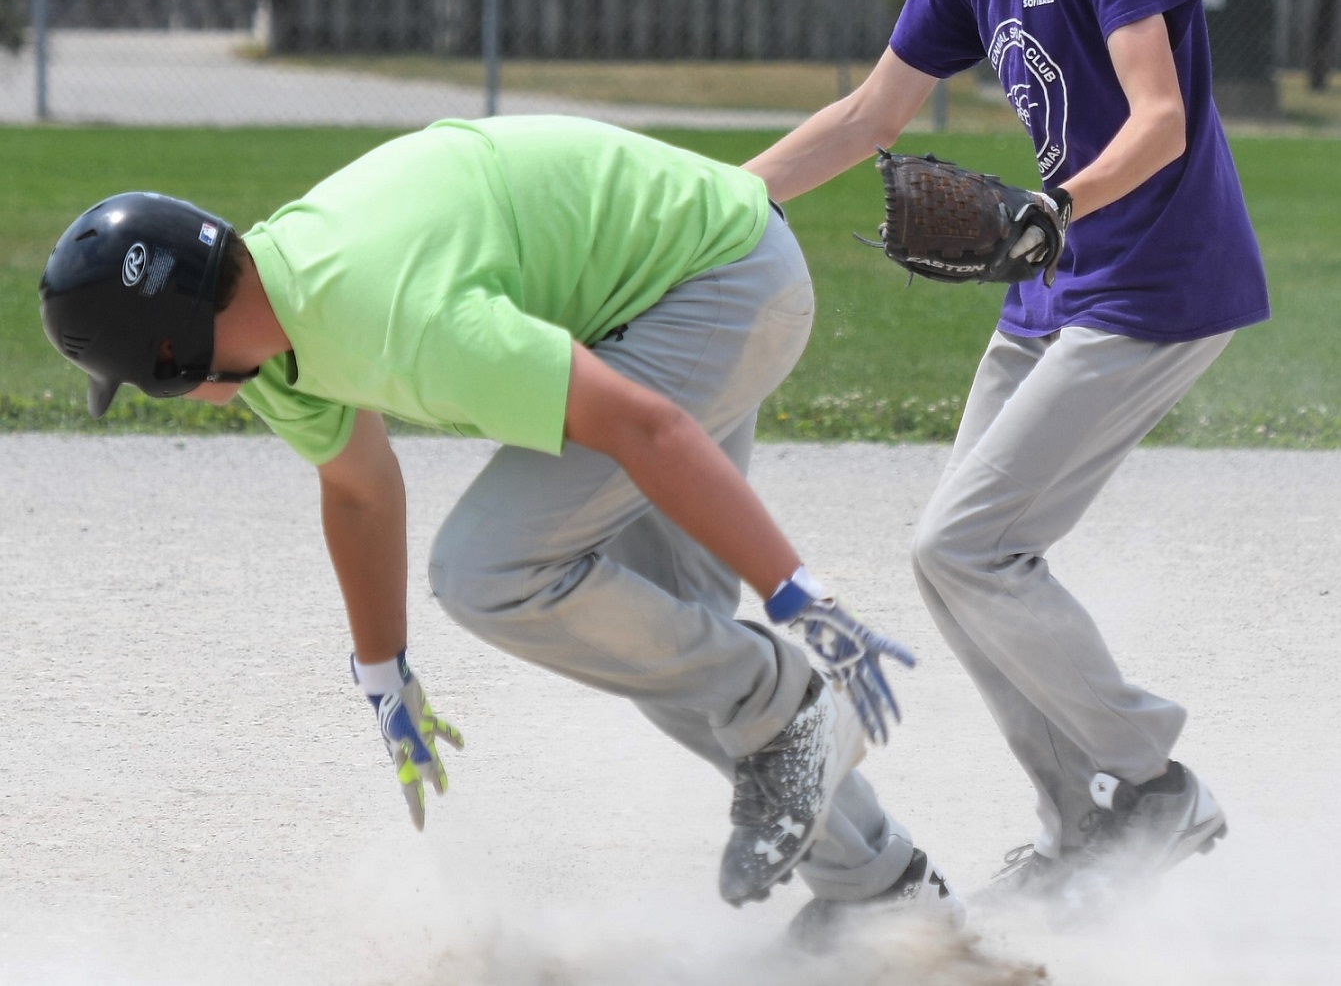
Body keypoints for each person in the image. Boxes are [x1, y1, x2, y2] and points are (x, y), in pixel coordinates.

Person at [38, 115, 963, 932]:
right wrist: (383, 673)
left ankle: (790, 701)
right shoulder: (278, 323)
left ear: (170, 354)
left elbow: (645, 426)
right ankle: (882, 890)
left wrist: (795, 589)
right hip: (661, 291)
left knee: (485, 567)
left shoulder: (388, 315)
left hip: (714, 285)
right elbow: (359, 486)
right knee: (661, 648)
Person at [745, 0, 1269, 909]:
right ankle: (1088, 822)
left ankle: (1153, 784)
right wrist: (715, 204)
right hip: (1058, 281)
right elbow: (874, 111)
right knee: (953, 561)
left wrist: (1055, 207)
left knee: (968, 544)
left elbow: (1161, 119)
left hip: (1155, 280)